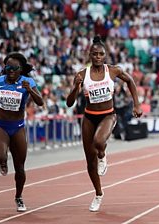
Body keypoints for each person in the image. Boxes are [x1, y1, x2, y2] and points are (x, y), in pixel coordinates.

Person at [66, 36, 142, 212]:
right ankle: (98, 194)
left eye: (101, 54)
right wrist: (74, 88)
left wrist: (137, 104)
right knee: (89, 163)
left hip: (108, 115)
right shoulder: (82, 75)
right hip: (89, 118)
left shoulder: (113, 71)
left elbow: (130, 81)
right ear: (90, 55)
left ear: (105, 55)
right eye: (95, 54)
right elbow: (70, 103)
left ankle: (102, 154)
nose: (98, 57)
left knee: (99, 142)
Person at [0, 52, 44, 212]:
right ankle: (3, 160)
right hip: (1, 126)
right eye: (8, 67)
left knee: (20, 167)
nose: (11, 70)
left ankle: (19, 197)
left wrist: (31, 91)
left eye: (14, 68)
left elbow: (40, 102)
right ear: (4, 68)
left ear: (20, 69)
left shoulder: (28, 82)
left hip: (18, 127)